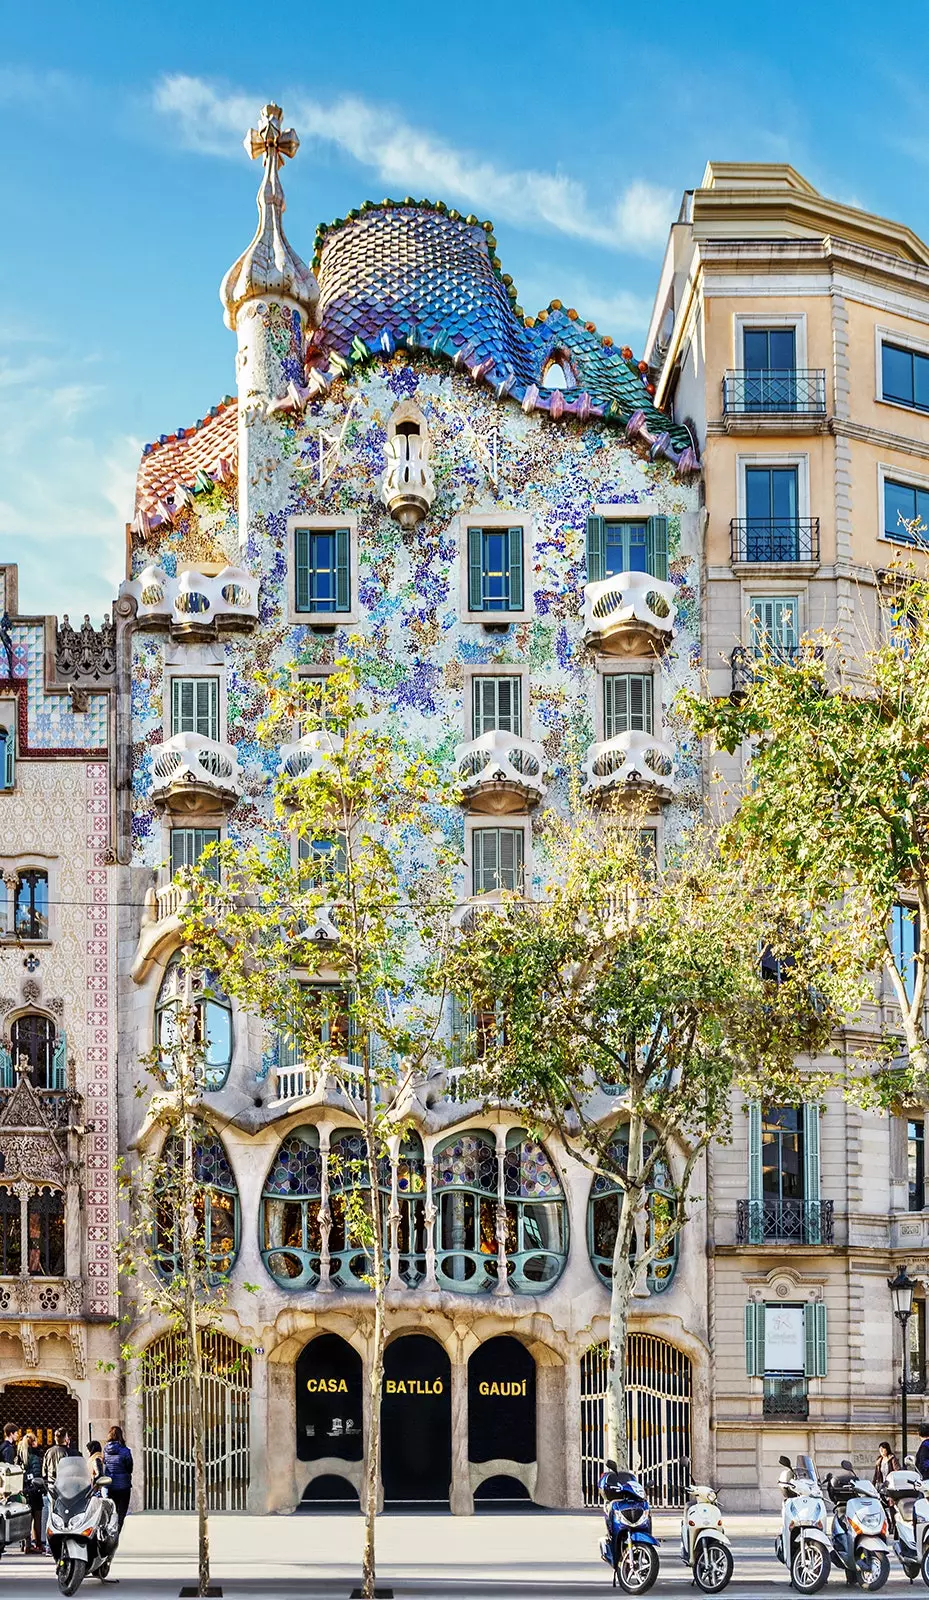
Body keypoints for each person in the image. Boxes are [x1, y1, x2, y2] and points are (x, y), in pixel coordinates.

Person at [42, 1429, 71, 1554]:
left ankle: (49, 1545)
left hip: (52, 1487)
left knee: (51, 1515)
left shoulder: (49, 1452)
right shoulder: (68, 1453)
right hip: (65, 1487)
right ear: (66, 1438)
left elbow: (43, 1471)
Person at [17, 1429, 44, 1555]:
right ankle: (38, 1544)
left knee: (25, 1519)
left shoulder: (19, 1457)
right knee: (36, 1518)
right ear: (33, 1443)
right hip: (34, 1491)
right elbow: (37, 1474)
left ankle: (25, 1544)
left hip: (23, 1491)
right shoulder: (35, 1457)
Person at [103, 1425, 133, 1532]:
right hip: (124, 1485)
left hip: (110, 1484)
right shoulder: (126, 1451)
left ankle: (112, 1529)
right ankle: (119, 1529)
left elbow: (105, 1464)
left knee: (112, 1509)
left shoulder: (105, 1450)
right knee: (122, 1510)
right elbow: (130, 1468)